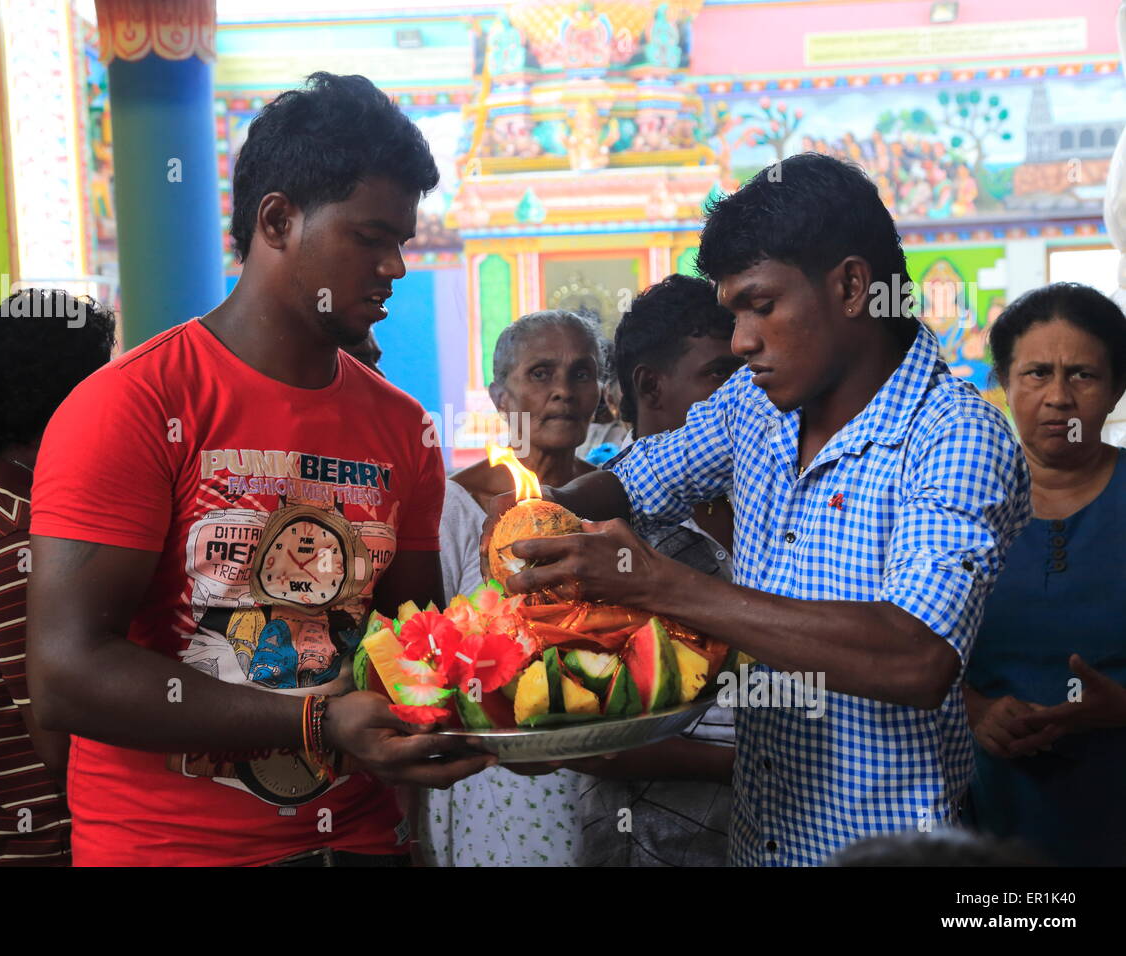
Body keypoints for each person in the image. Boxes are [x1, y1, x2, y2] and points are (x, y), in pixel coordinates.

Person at [482, 153, 1030, 867]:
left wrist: (659, 583)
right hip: (757, 844)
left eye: (761, 306)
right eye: (734, 314)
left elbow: (915, 656)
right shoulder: (757, 406)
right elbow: (636, 479)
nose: (741, 341)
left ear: (852, 286)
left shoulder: (955, 435)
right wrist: (541, 511)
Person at [26, 73, 492, 867]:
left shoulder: (402, 428)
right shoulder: (133, 406)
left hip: (360, 847)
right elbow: (67, 672)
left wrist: (530, 713)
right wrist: (315, 723)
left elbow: (413, 652)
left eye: (402, 244)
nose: (397, 269)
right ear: (277, 220)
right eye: (370, 238)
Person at [0, 289, 115, 864]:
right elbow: (66, 745)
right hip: (52, 849)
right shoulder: (19, 542)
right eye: (109, 388)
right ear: (75, 401)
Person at [575, 274, 742, 867]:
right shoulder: (590, 535)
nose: (746, 395)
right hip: (648, 843)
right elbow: (585, 736)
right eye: (721, 375)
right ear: (650, 384)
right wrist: (759, 769)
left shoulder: (775, 505)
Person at [426, 309, 602, 866]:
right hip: (496, 781)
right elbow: (422, 660)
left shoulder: (612, 500)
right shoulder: (454, 506)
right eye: (541, 373)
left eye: (582, 374)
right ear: (500, 396)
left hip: (608, 771)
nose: (563, 393)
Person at [963, 283, 1126, 866]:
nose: (1059, 397)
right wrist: (974, 709)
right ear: (1004, 387)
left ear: (1115, 390)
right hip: (989, 823)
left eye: (1082, 374)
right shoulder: (957, 504)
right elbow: (897, 642)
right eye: (1036, 374)